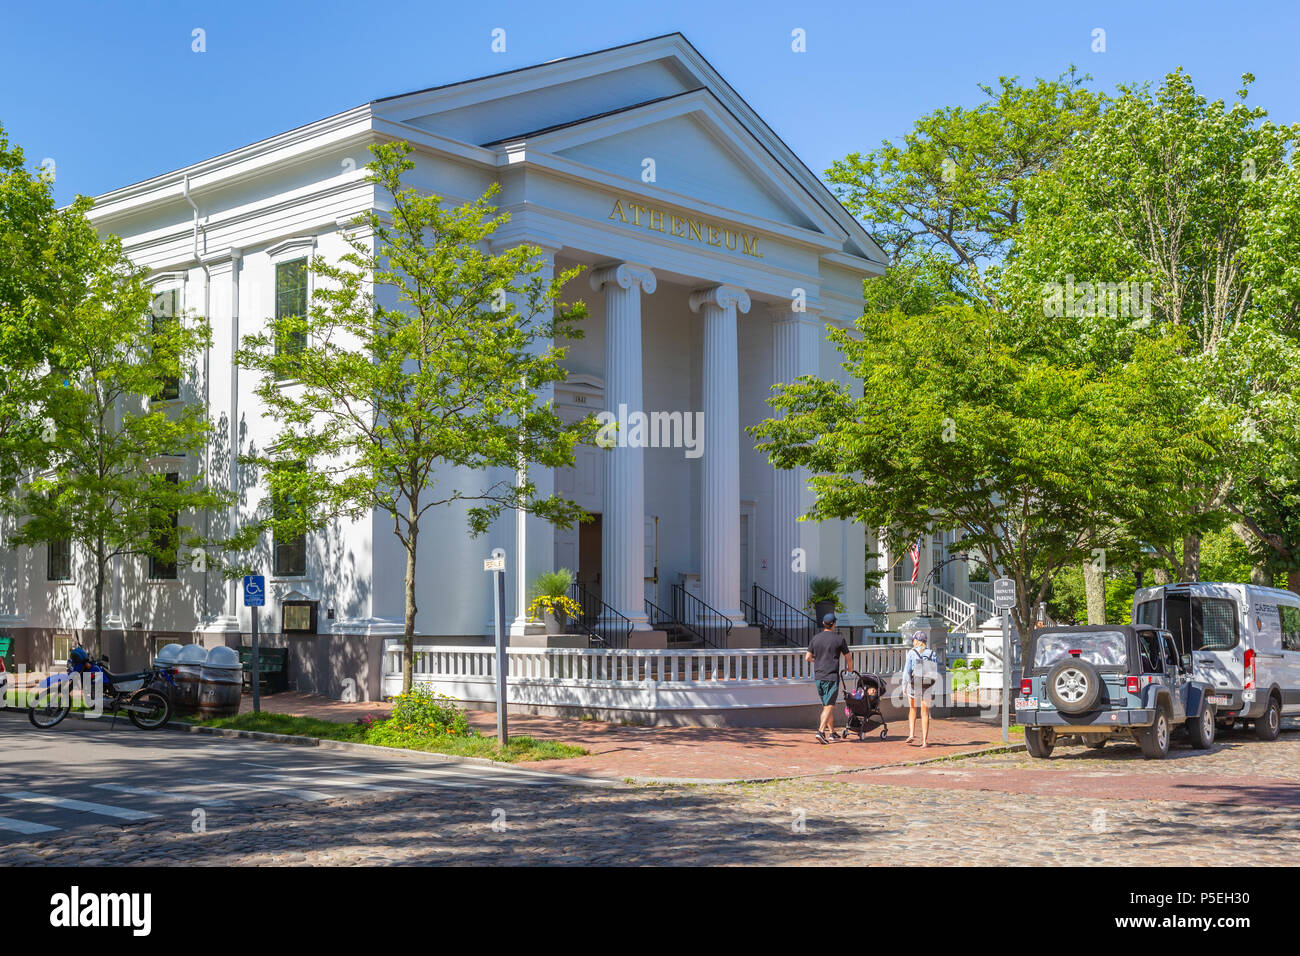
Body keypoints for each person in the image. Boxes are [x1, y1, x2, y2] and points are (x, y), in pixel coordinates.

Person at [805, 612, 853, 744]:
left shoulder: (815, 638)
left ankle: (832, 733)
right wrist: (850, 669)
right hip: (831, 677)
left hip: (819, 677)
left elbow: (807, 657)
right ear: (834, 624)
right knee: (829, 706)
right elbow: (848, 657)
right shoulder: (839, 639)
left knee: (827, 705)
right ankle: (821, 732)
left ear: (823, 624)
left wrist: (817, 660)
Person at [903, 631, 939, 747]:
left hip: (914, 684)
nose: (912, 642)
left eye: (913, 640)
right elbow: (935, 671)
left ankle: (911, 734)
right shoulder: (932, 653)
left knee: (912, 709)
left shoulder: (912, 653)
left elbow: (906, 672)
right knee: (925, 713)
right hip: (927, 685)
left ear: (917, 641)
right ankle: (924, 741)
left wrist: (904, 686)